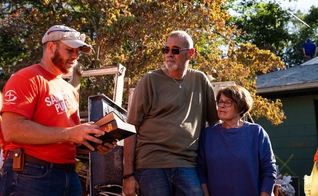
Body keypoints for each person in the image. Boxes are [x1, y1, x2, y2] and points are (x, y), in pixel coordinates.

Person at [0, 25, 116, 196]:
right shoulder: (26, 78)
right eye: (70, 50)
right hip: (31, 174)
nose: (75, 56)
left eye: (78, 51)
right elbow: (11, 130)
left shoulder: (70, 90)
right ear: (51, 47)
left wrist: (95, 141)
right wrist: (70, 133)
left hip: (68, 175)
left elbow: (70, 140)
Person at [123, 30, 219, 196]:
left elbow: (215, 124)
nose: (169, 55)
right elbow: (131, 127)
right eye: (165, 50)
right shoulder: (150, 80)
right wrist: (128, 175)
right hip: (152, 162)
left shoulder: (200, 80)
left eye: (175, 50)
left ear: (190, 54)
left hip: (187, 163)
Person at [196, 85, 277, 196]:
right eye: (220, 102)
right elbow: (201, 170)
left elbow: (269, 170)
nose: (221, 106)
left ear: (241, 107)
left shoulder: (256, 133)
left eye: (227, 102)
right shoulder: (208, 135)